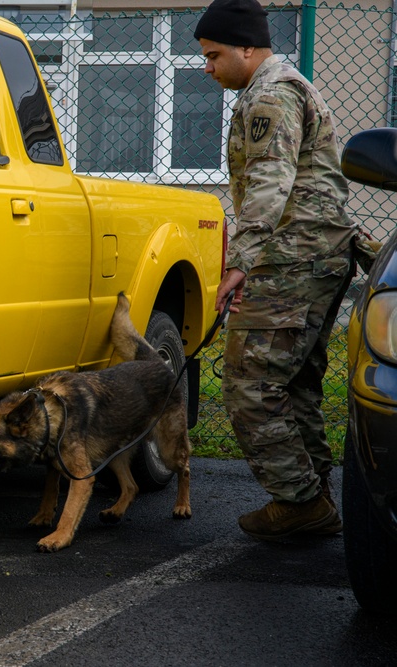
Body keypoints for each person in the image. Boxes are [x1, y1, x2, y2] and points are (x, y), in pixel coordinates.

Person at [195, 0, 358, 540]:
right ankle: (314, 498)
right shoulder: (278, 87)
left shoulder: (270, 94)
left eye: (214, 54)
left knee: (251, 385)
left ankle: (299, 500)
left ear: (247, 47)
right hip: (312, 254)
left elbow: (270, 179)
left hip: (292, 257)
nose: (207, 66)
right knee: (296, 384)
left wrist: (240, 262)